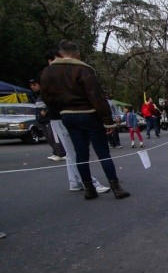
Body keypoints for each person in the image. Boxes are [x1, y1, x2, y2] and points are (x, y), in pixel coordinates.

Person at [40, 39, 129, 200]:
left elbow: (47, 97)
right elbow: (96, 96)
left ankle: (89, 188)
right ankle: (116, 187)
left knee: (80, 153)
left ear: (60, 53)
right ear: (77, 53)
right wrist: (108, 121)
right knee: (103, 152)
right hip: (89, 113)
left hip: (67, 115)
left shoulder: (48, 72)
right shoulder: (83, 69)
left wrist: (60, 110)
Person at [41, 49, 108, 193]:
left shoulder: (53, 73)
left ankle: (75, 181)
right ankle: (90, 183)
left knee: (71, 152)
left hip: (61, 116)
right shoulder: (54, 72)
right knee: (75, 152)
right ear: (56, 57)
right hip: (63, 116)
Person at [30, 78, 66, 161]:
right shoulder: (38, 95)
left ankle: (61, 153)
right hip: (42, 120)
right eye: (31, 85)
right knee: (48, 138)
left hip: (49, 119)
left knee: (53, 136)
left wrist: (46, 110)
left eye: (35, 85)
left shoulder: (45, 93)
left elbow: (52, 102)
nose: (33, 87)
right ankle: (56, 152)